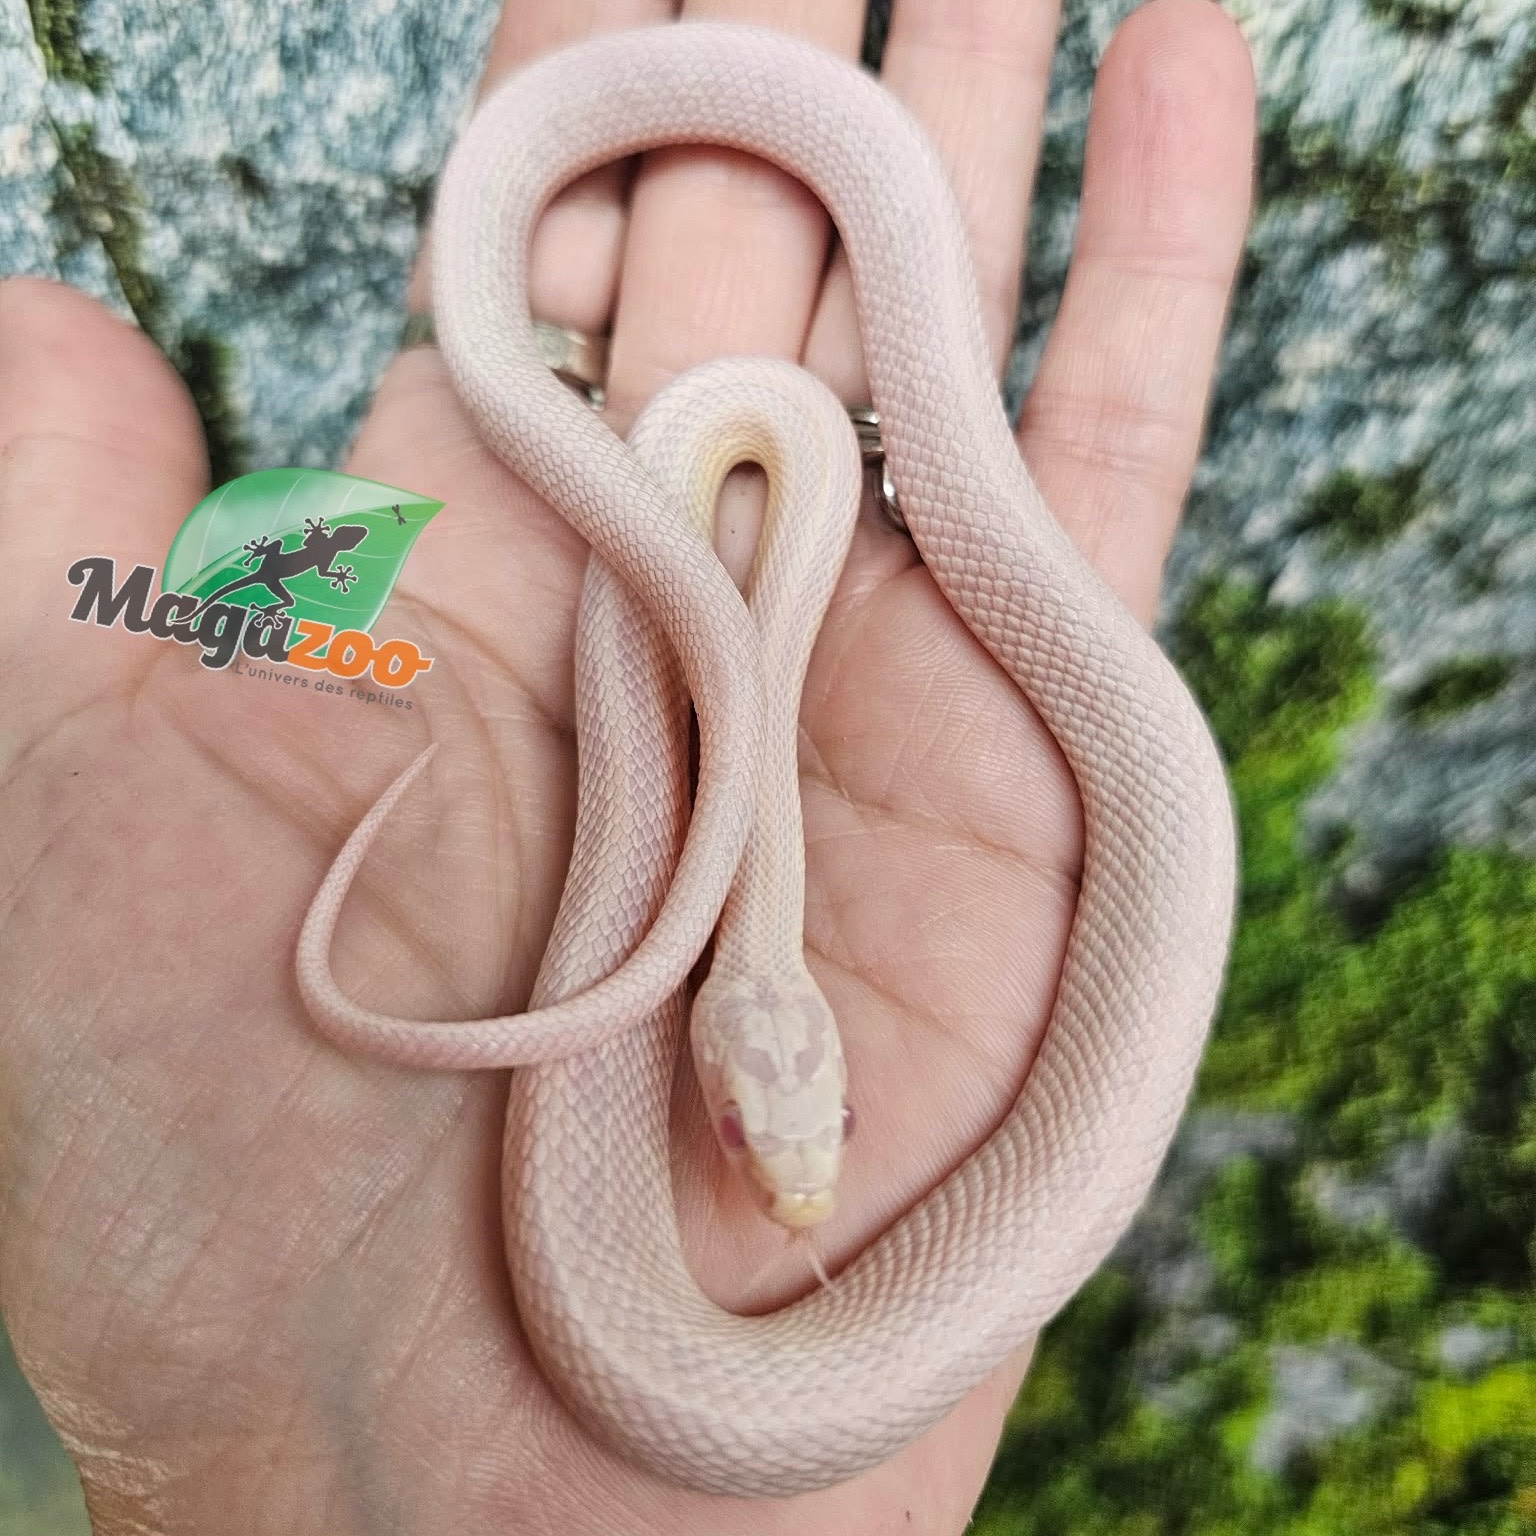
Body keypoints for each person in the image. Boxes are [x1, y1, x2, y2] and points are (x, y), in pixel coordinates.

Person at [0, 0, 1255, 1530]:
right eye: (797, 1130)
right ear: (783, 1046)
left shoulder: (730, 824)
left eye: (763, 1129)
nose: (788, 1182)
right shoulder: (706, 589)